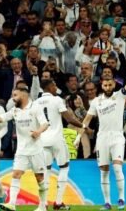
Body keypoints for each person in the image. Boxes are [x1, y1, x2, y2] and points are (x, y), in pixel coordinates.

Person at [0, 86, 49, 211]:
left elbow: (45, 123)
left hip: (36, 149)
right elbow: (1, 119)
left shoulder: (35, 107)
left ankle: (43, 205)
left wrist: (38, 131)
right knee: (16, 175)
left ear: (24, 96)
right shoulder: (15, 110)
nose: (12, 98)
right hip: (21, 150)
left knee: (40, 178)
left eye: (15, 95)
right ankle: (12, 204)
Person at [81, 55, 126, 210]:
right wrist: (80, 133)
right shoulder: (96, 102)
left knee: (118, 168)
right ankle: (107, 203)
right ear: (102, 85)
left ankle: (121, 199)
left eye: (110, 84)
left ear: (114, 84)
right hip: (102, 139)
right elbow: (87, 119)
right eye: (105, 85)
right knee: (104, 172)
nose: (107, 87)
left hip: (117, 137)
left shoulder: (119, 96)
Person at [35, 79, 85, 210]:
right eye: (54, 85)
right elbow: (69, 118)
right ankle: (58, 202)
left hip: (43, 141)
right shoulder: (57, 100)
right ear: (49, 87)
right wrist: (83, 125)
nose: (56, 88)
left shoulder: (35, 103)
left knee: (46, 170)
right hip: (57, 139)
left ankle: (44, 204)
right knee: (64, 167)